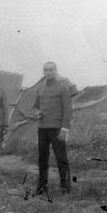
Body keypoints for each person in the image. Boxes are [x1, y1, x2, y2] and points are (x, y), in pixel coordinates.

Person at [33, 62, 72, 195]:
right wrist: (38, 112)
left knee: (61, 158)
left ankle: (65, 188)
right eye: (46, 70)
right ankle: (42, 187)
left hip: (57, 128)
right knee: (42, 158)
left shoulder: (62, 88)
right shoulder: (40, 88)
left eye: (51, 70)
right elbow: (37, 106)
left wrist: (64, 129)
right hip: (42, 128)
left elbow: (68, 109)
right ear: (43, 72)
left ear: (55, 71)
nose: (48, 72)